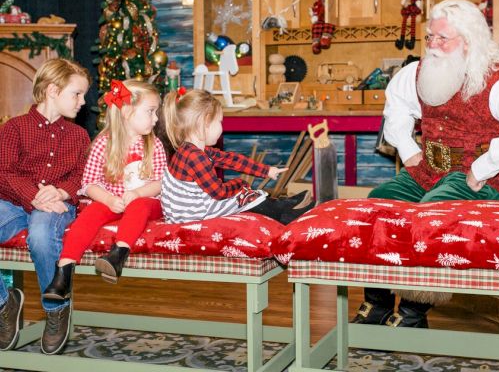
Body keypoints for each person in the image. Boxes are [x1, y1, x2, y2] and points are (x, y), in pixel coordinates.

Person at [352, 0, 499, 329]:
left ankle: (413, 314)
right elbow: (396, 109)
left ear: (469, 39)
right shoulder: (419, 72)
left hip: (485, 179)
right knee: (379, 202)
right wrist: (408, 149)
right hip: (429, 170)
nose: (432, 46)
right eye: (430, 37)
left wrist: (483, 167)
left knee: (433, 211)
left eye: (442, 38)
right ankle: (377, 303)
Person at [43, 80, 167, 340]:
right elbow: (88, 184)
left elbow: (159, 183)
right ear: (127, 112)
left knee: (140, 206)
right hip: (114, 200)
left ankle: (117, 255)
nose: (155, 119)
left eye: (156, 112)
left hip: (146, 202)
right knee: (90, 213)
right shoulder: (103, 143)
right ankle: (63, 273)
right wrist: (109, 200)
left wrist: (137, 193)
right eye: (151, 111)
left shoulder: (152, 145)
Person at [0, 58, 91, 354]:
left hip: (54, 209)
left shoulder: (78, 135)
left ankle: (56, 308)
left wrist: (62, 193)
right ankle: (5, 302)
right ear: (52, 90)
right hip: (13, 203)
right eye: (76, 94)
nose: (82, 101)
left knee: (41, 235)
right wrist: (34, 195)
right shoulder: (14, 128)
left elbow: (81, 176)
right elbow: (5, 171)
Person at [160, 89, 313, 224]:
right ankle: (284, 214)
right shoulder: (196, 158)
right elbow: (219, 193)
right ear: (206, 122)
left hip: (188, 211)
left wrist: (266, 170)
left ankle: (281, 204)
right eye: (219, 121)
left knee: (244, 194)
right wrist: (240, 184)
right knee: (244, 196)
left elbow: (231, 160)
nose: (222, 126)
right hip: (195, 214)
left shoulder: (189, 150)